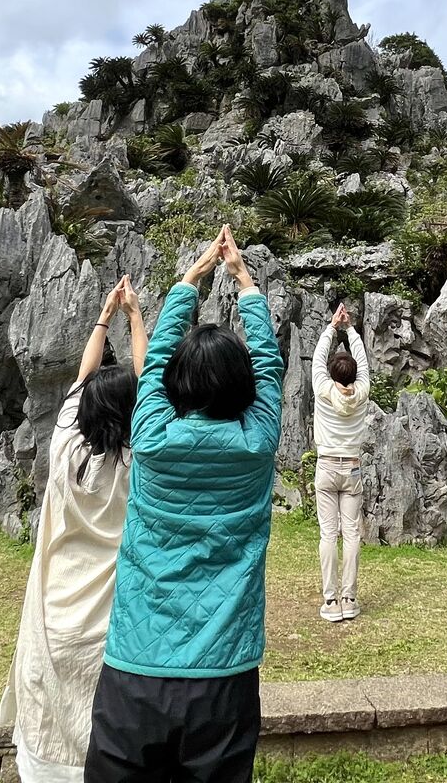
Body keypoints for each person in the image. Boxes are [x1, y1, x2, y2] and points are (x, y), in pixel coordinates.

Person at [85, 225, 283, 783]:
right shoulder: (258, 443)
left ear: (171, 387)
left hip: (135, 667)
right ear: (244, 389)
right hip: (225, 672)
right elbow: (269, 366)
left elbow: (157, 362)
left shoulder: (148, 435)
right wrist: (245, 283)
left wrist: (189, 281)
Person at [1, 275, 147, 783]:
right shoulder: (138, 463)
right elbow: (145, 385)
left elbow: (84, 377)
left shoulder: (64, 446)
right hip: (105, 627)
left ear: (81, 410)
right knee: (100, 738)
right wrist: (135, 317)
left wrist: (104, 316)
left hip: (53, 616)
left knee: (47, 728)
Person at [312, 302, 371, 622]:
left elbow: (319, 358)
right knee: (351, 534)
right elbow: (362, 361)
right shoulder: (362, 390)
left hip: (326, 466)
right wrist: (350, 330)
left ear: (332, 373)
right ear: (354, 376)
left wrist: (333, 327)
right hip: (352, 467)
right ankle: (349, 597)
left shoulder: (322, 389)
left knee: (327, 535)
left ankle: (331, 600)